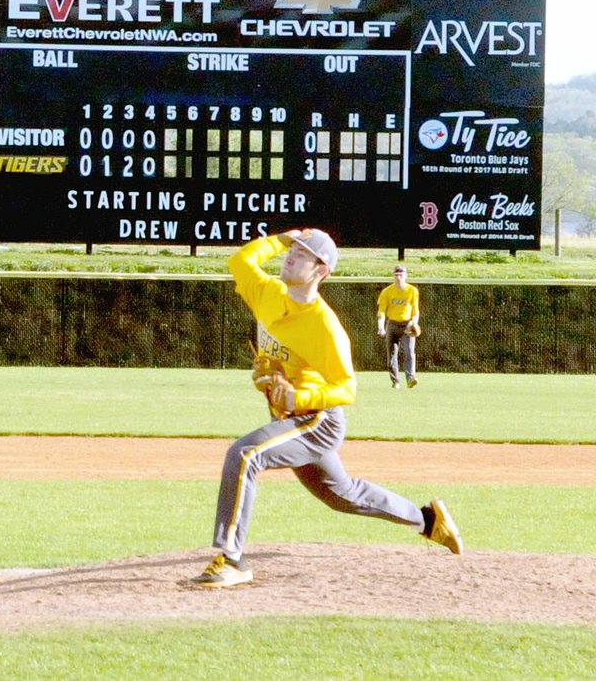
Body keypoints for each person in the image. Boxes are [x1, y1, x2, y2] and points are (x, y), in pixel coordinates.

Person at [192, 229, 461, 589]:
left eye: (303, 255)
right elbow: (240, 261)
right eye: (294, 251)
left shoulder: (324, 326)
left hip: (318, 420)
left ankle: (232, 559)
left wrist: (299, 400)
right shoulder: (267, 293)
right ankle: (429, 521)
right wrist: (282, 239)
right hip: (289, 418)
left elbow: (347, 388)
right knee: (342, 494)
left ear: (321, 271)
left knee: (244, 456)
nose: (292, 257)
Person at [376, 264, 420, 389]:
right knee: (392, 354)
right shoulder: (387, 292)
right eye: (396, 275)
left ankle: (411, 379)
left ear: (405, 276)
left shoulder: (412, 291)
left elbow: (415, 311)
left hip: (407, 325)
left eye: (401, 275)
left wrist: (413, 322)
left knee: (409, 352)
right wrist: (381, 327)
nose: (399, 278)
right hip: (393, 324)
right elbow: (382, 311)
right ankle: (395, 381)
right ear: (393, 277)